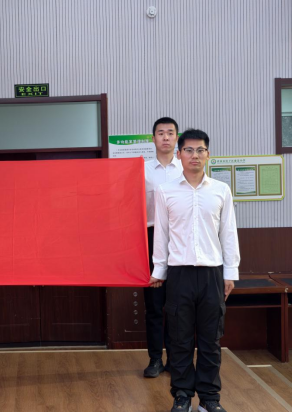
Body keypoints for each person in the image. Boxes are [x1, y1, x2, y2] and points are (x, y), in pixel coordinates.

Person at [151, 129, 240, 412]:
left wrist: (230, 272)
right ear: (179, 154)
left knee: (211, 339)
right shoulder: (166, 191)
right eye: (188, 150)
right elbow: (161, 234)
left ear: (207, 155)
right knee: (180, 339)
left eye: (200, 150)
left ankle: (209, 399)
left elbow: (228, 233)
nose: (194, 155)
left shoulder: (220, 190)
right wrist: (159, 270)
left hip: (212, 274)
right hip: (179, 275)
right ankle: (182, 396)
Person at [143, 117, 182, 378]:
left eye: (170, 133)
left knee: (177, 305)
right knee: (155, 304)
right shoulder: (142, 170)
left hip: (180, 240)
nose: (165, 137)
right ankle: (155, 359)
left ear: (176, 137)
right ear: (153, 138)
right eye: (160, 133)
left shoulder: (185, 168)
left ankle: (176, 360)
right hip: (150, 237)